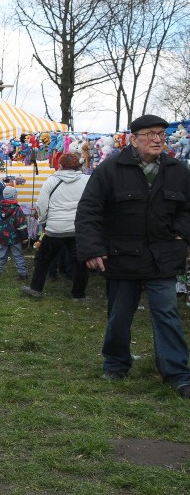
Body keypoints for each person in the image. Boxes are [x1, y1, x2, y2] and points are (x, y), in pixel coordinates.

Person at [76, 114, 190, 398]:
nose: (157, 139)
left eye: (161, 134)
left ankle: (177, 373)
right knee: (119, 315)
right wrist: (92, 249)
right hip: (121, 256)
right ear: (133, 139)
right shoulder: (111, 169)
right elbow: (89, 210)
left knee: (167, 315)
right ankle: (115, 364)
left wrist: (182, 233)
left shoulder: (178, 170)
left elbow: (188, 210)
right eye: (150, 134)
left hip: (161, 257)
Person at [22, 152, 90, 299]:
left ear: (60, 165)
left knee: (43, 259)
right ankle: (78, 295)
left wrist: (43, 222)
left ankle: (36, 288)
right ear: (78, 165)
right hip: (79, 227)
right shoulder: (87, 180)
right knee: (79, 262)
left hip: (55, 228)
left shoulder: (51, 181)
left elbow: (42, 204)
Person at [0, 186, 29, 281]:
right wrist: (25, 237)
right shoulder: (17, 209)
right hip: (15, 238)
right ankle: (23, 275)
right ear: (14, 196)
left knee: (1, 255)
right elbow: (21, 225)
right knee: (18, 255)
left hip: (2, 238)